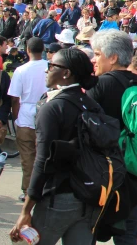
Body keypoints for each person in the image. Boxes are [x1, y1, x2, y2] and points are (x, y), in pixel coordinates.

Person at [9, 48, 100, 244]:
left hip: (57, 199)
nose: (46, 70)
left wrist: (26, 210)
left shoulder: (52, 108)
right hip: (89, 197)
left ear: (66, 73)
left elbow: (42, 160)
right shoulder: (91, 104)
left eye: (51, 66)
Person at [88, 29, 137, 245]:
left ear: (113, 57)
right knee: (127, 235)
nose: (93, 59)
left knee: (86, 231)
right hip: (135, 169)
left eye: (97, 54)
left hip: (102, 172)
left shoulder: (98, 85)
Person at [7, 36, 48, 202]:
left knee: (27, 158)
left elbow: (15, 99)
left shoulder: (21, 70)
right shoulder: (49, 67)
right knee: (44, 156)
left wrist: (17, 117)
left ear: (27, 50)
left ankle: (28, 191)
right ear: (43, 50)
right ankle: (43, 189)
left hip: (26, 115)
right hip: (46, 115)